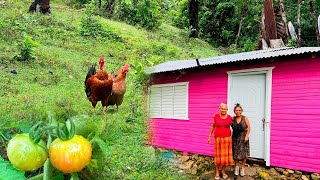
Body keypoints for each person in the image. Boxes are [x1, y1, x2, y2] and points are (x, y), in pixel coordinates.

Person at [208, 103, 233, 180]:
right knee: (218, 156)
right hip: (218, 139)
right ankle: (217, 172)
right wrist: (209, 136)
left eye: (225, 109)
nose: (223, 110)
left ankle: (223, 171)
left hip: (227, 139)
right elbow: (212, 126)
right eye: (222, 108)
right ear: (219, 108)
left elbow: (235, 126)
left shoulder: (230, 118)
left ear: (227, 109)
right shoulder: (216, 116)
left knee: (225, 157)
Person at [231, 103, 251, 177]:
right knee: (235, 153)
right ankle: (236, 167)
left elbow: (249, 128)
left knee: (244, 154)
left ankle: (242, 168)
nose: (238, 111)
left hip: (243, 138)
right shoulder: (232, 118)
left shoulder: (245, 118)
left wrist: (246, 136)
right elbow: (226, 123)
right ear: (234, 111)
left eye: (239, 110)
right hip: (235, 138)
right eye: (236, 110)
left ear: (242, 111)